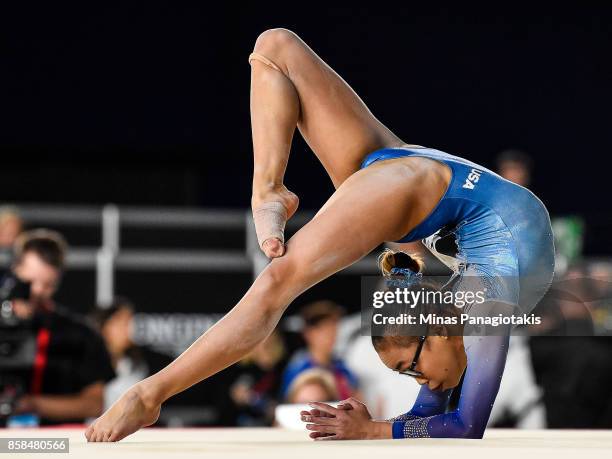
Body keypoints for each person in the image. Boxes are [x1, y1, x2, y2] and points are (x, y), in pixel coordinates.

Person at [85, 28, 554, 442]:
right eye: (411, 372)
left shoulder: (452, 323)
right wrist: (375, 430)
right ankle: (150, 394)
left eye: (407, 372)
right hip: (414, 189)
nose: (422, 384)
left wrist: (373, 427)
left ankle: (270, 188)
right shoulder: (487, 309)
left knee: (276, 48)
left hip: (418, 175)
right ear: (437, 332)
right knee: (275, 284)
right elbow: (466, 427)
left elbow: (435, 413)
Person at [9, 229, 115, 424]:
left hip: (56, 444)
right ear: (15, 270)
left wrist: (32, 404)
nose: (37, 291)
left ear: (58, 280)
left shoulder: (81, 334)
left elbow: (94, 403)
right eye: (29, 281)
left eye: (47, 284)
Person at [280, 301, 358, 400]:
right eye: (325, 330)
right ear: (308, 333)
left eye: (334, 329)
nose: (332, 336)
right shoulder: (298, 370)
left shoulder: (342, 368)